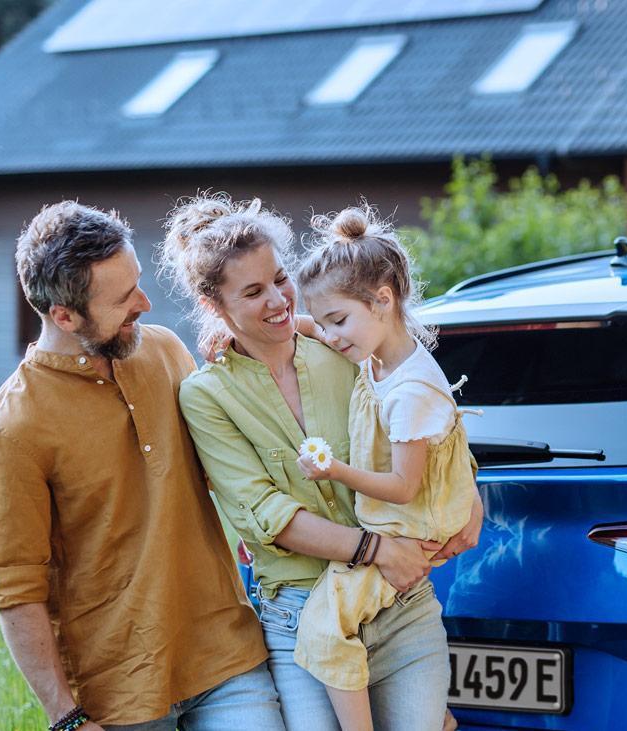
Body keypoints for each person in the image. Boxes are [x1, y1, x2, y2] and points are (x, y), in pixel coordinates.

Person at [164, 192, 481, 731]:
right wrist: (378, 548)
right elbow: (267, 514)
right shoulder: (207, 396)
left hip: (398, 603)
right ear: (216, 307)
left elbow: (428, 417)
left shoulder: (339, 343)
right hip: (302, 614)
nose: (278, 300)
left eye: (280, 279)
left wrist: (472, 499)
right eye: (253, 291)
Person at [0, 201, 281, 731]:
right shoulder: (9, 432)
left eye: (137, 281)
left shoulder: (165, 351)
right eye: (122, 298)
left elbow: (225, 464)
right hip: (118, 692)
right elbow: (17, 591)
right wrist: (65, 717)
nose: (145, 302)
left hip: (226, 655)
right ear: (64, 316)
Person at [289, 205, 479, 731]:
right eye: (324, 323)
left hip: (408, 522)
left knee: (325, 629)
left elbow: (402, 486)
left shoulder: (411, 391)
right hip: (403, 515)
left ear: (383, 300)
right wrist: (284, 327)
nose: (330, 336)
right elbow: (329, 325)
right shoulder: (379, 353)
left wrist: (335, 472)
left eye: (338, 321)